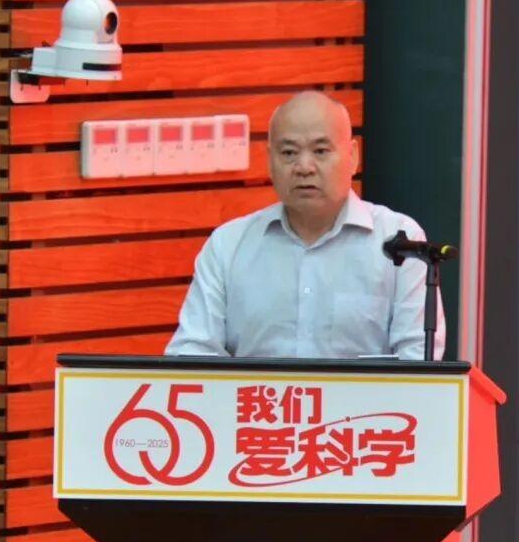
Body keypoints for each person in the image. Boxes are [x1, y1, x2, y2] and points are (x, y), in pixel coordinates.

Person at [165, 90, 445, 360]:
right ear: (270, 161)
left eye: (321, 151)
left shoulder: (400, 242)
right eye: (289, 153)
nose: (304, 167)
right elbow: (190, 354)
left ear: (353, 156)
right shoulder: (228, 246)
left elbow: (418, 360)